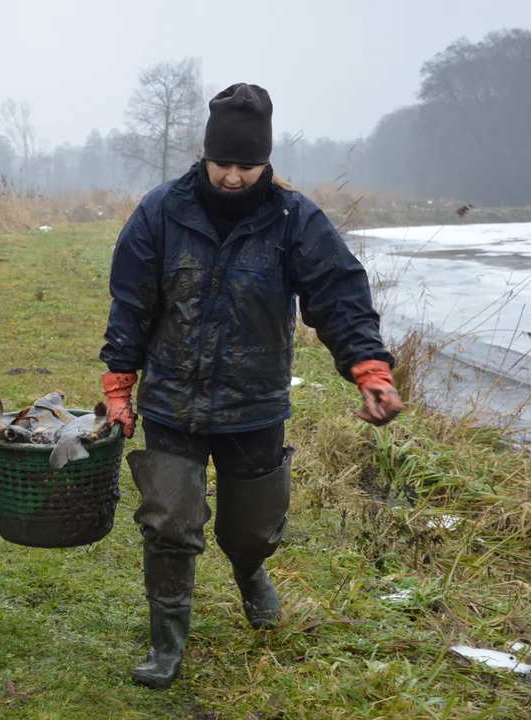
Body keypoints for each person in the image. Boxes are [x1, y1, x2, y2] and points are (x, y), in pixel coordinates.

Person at [98, 84, 402, 688]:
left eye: (247, 165)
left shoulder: (296, 219)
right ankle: (167, 644)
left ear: (266, 163)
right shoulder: (160, 211)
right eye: (222, 164)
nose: (233, 177)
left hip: (255, 404)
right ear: (205, 156)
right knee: (168, 521)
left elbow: (338, 297)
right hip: (172, 403)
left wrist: (368, 368)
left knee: (252, 529)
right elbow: (130, 304)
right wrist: (118, 386)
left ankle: (250, 570)